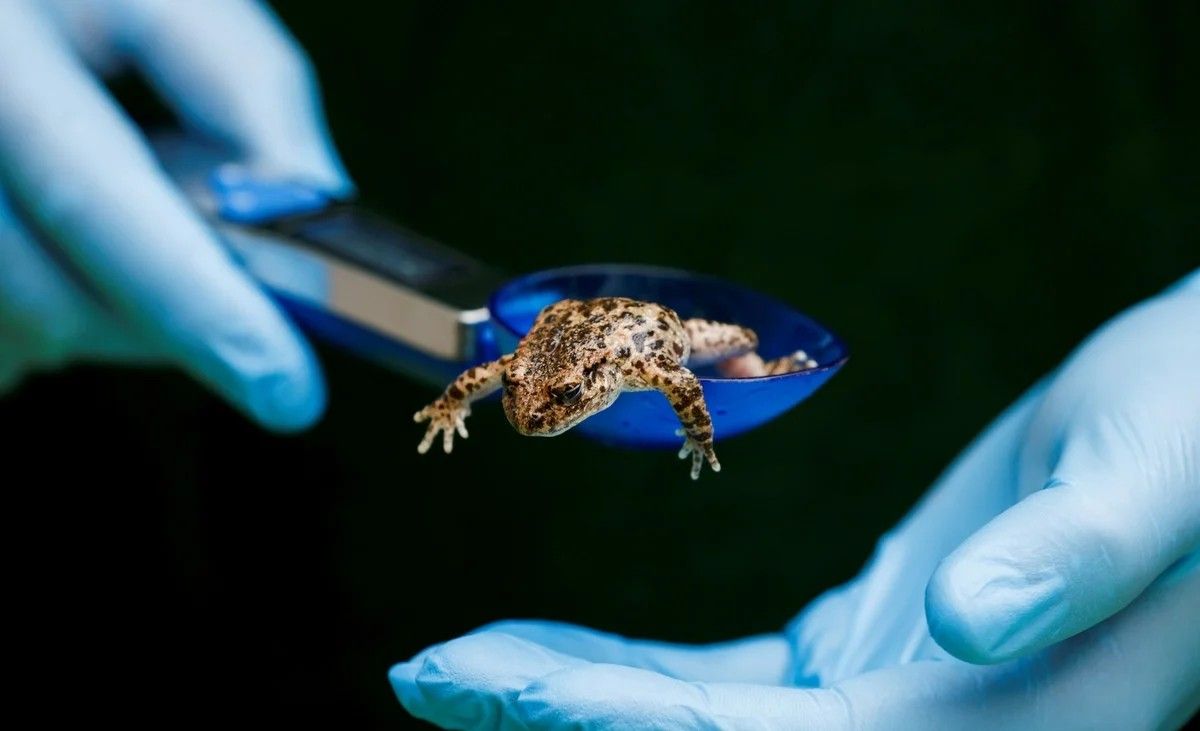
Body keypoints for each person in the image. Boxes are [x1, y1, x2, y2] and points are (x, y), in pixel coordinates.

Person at [2, 2, 1195, 728]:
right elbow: (487, 371)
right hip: (235, 581)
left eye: (556, 401)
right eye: (540, 398)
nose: (540, 408)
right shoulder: (523, 362)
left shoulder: (638, 364)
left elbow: (683, 376)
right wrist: (460, 404)